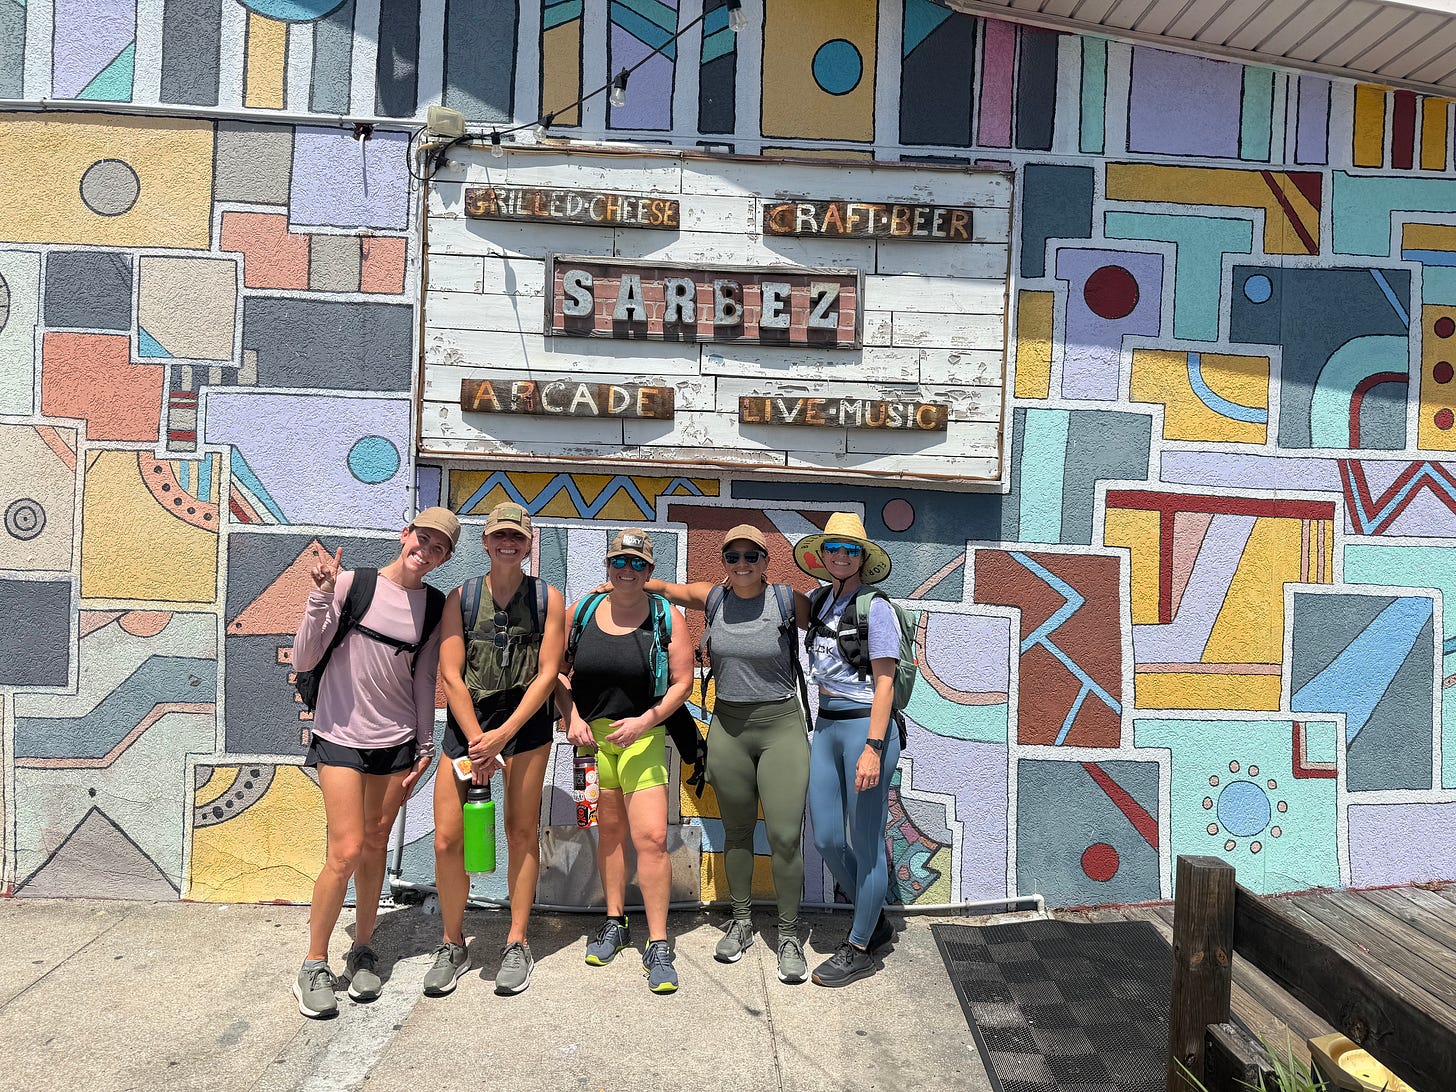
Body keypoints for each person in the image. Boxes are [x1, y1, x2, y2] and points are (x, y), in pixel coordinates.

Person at [290, 507, 460, 1019]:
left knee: (374, 846)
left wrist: (425, 747)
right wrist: (321, 596)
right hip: (340, 736)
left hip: (397, 743)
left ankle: (363, 948)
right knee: (345, 850)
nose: (426, 551)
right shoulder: (352, 584)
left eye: (438, 547)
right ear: (405, 535)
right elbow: (303, 658)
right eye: (422, 538)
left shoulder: (433, 607)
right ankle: (314, 964)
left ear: (445, 557)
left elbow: (424, 679)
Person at [646, 524, 813, 984]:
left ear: (765, 561)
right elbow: (665, 588)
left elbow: (831, 621)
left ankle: (789, 934)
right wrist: (618, 581)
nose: (742, 565)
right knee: (736, 832)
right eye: (733, 557)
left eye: (751, 556)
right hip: (728, 728)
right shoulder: (714, 599)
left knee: (784, 836)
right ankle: (741, 922)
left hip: (781, 727)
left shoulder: (786, 600)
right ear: (723, 562)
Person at [428, 502, 566, 997]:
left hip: (523, 727)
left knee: (520, 831)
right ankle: (453, 943)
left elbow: (548, 673)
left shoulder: (548, 599)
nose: (508, 544)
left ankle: (516, 941)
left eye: (517, 537)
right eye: (499, 536)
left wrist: (503, 736)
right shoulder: (461, 598)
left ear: (528, 545)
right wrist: (478, 743)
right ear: (485, 542)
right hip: (469, 727)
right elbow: (451, 673)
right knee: (448, 839)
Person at [556, 529, 693, 993]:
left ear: (650, 571)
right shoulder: (583, 611)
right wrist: (571, 716)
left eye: (637, 564)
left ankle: (659, 943)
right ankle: (615, 921)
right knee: (609, 833)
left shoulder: (667, 617)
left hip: (643, 739)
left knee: (651, 838)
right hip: (591, 743)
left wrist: (645, 721)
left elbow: (682, 683)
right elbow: (555, 670)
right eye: (619, 562)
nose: (627, 570)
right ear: (608, 566)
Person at [795, 512, 901, 988]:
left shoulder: (875, 608)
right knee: (827, 839)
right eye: (833, 548)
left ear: (862, 557)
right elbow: (757, 595)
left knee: (867, 842)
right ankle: (871, 915)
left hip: (865, 729)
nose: (840, 556)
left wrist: (874, 748)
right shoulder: (818, 600)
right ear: (821, 555)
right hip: (827, 725)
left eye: (850, 549)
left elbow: (885, 682)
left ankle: (860, 947)